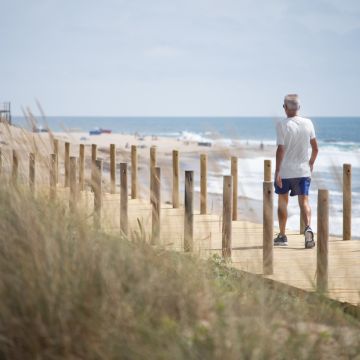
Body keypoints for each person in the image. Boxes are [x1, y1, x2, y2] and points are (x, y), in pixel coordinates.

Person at [274, 94, 319, 248]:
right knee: (304, 202)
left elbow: (280, 149)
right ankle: (308, 229)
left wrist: (277, 171)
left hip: (286, 172)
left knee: (282, 203)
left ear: (285, 108)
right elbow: (315, 148)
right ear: (299, 107)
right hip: (303, 171)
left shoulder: (282, 124)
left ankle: (282, 236)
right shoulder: (308, 123)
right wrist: (311, 163)